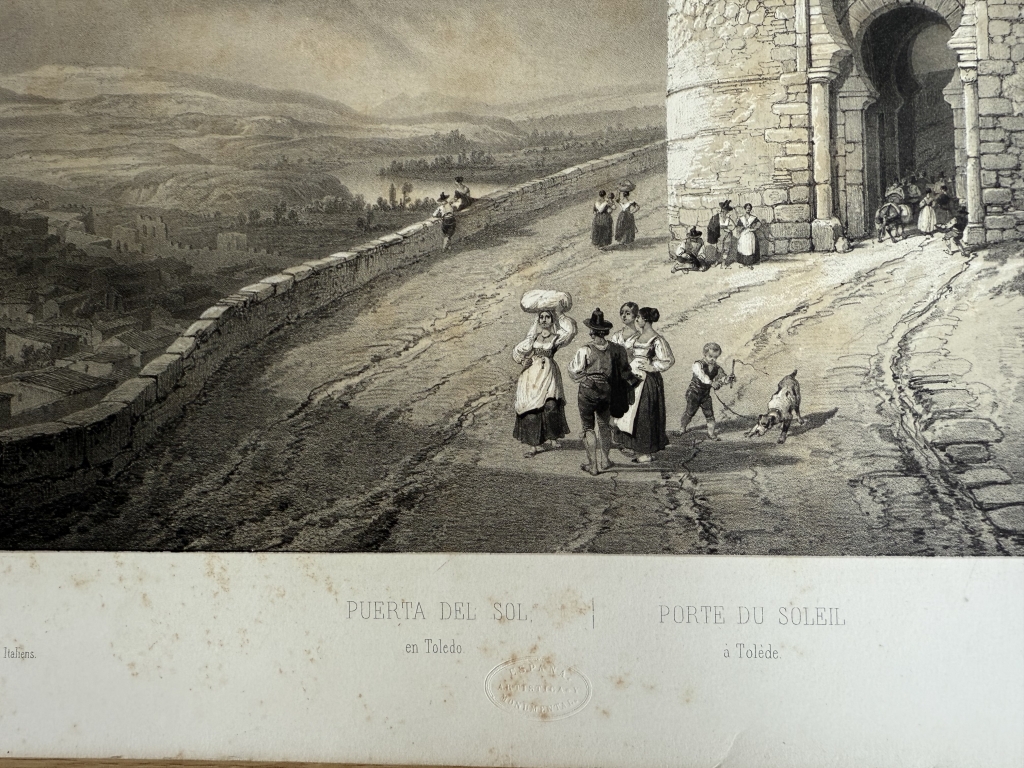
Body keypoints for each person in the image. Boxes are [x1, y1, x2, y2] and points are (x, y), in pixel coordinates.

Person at [568, 308, 634, 475]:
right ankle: (605, 461)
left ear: (592, 332)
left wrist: (586, 378)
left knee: (588, 428)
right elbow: (625, 371)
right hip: (607, 392)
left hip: (588, 393)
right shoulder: (617, 349)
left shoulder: (585, 350)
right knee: (604, 426)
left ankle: (593, 466)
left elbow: (574, 372)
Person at [611, 307, 674, 463]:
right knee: (629, 412)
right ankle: (632, 446)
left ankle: (646, 452)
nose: (636, 320)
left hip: (647, 381)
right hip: (632, 377)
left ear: (645, 320)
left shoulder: (656, 339)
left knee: (644, 414)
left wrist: (652, 366)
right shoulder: (637, 337)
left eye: (638, 317)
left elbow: (668, 360)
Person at [512, 306, 577, 457]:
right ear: (538, 320)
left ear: (552, 320)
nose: (544, 320)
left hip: (549, 374)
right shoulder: (533, 338)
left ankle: (553, 437)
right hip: (532, 375)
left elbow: (570, 332)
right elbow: (517, 351)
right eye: (541, 317)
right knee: (532, 408)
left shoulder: (556, 337)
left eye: (547, 317)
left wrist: (561, 314)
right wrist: (522, 361)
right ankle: (534, 446)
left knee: (551, 405)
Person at [679, 342, 734, 441]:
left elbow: (721, 377)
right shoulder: (697, 364)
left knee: (710, 415)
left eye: (715, 357)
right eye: (710, 356)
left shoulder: (717, 368)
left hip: (705, 395)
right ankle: (682, 428)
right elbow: (702, 376)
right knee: (689, 413)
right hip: (694, 393)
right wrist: (712, 383)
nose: (713, 359)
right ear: (704, 354)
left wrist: (727, 379)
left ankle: (711, 434)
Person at [706, 200, 735, 267]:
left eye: (726, 210)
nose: (725, 211)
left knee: (726, 249)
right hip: (720, 234)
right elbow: (712, 226)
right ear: (722, 209)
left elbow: (733, 226)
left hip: (727, 235)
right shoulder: (717, 217)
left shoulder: (728, 218)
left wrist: (728, 229)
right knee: (719, 249)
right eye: (724, 210)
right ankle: (716, 261)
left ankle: (723, 262)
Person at [735, 203, 762, 268]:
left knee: (750, 248)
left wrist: (753, 229)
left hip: (750, 234)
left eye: (749, 208)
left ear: (751, 209)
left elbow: (759, 224)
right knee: (743, 248)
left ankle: (749, 263)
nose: (748, 209)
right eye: (747, 208)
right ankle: (743, 263)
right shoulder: (741, 218)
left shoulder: (753, 218)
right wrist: (741, 229)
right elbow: (738, 227)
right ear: (745, 209)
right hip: (743, 235)